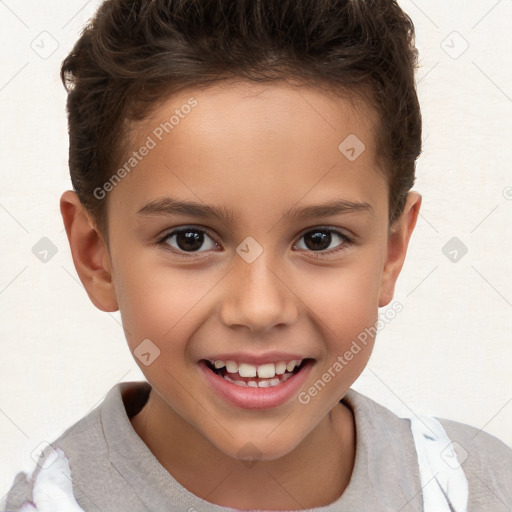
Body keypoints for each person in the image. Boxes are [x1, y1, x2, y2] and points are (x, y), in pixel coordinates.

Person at [3, 0, 511, 511]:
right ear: (97, 256)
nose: (260, 308)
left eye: (320, 239)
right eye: (190, 240)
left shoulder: (478, 487)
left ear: (391, 252)